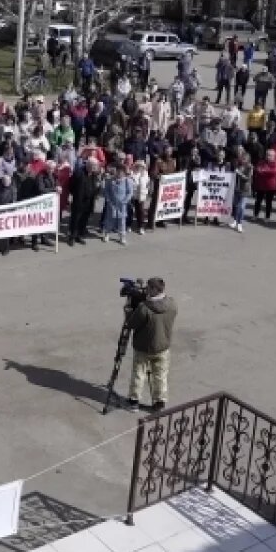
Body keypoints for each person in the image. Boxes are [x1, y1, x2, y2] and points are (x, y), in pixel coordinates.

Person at [125, 277, 177, 412]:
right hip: (163, 347)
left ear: (154, 289)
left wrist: (129, 310)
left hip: (143, 348)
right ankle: (159, 403)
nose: (146, 290)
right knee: (160, 375)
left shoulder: (144, 308)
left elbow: (131, 324)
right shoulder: (172, 304)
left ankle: (134, 401)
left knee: (139, 373)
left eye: (148, 288)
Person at [101, 164, 134, 245]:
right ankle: (107, 234)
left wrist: (125, 201)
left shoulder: (127, 181)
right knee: (109, 219)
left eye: (121, 172)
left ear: (124, 173)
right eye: (118, 171)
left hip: (122, 205)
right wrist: (109, 200)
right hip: (112, 204)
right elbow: (106, 191)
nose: (119, 173)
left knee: (122, 221)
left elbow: (130, 192)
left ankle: (122, 236)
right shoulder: (110, 180)